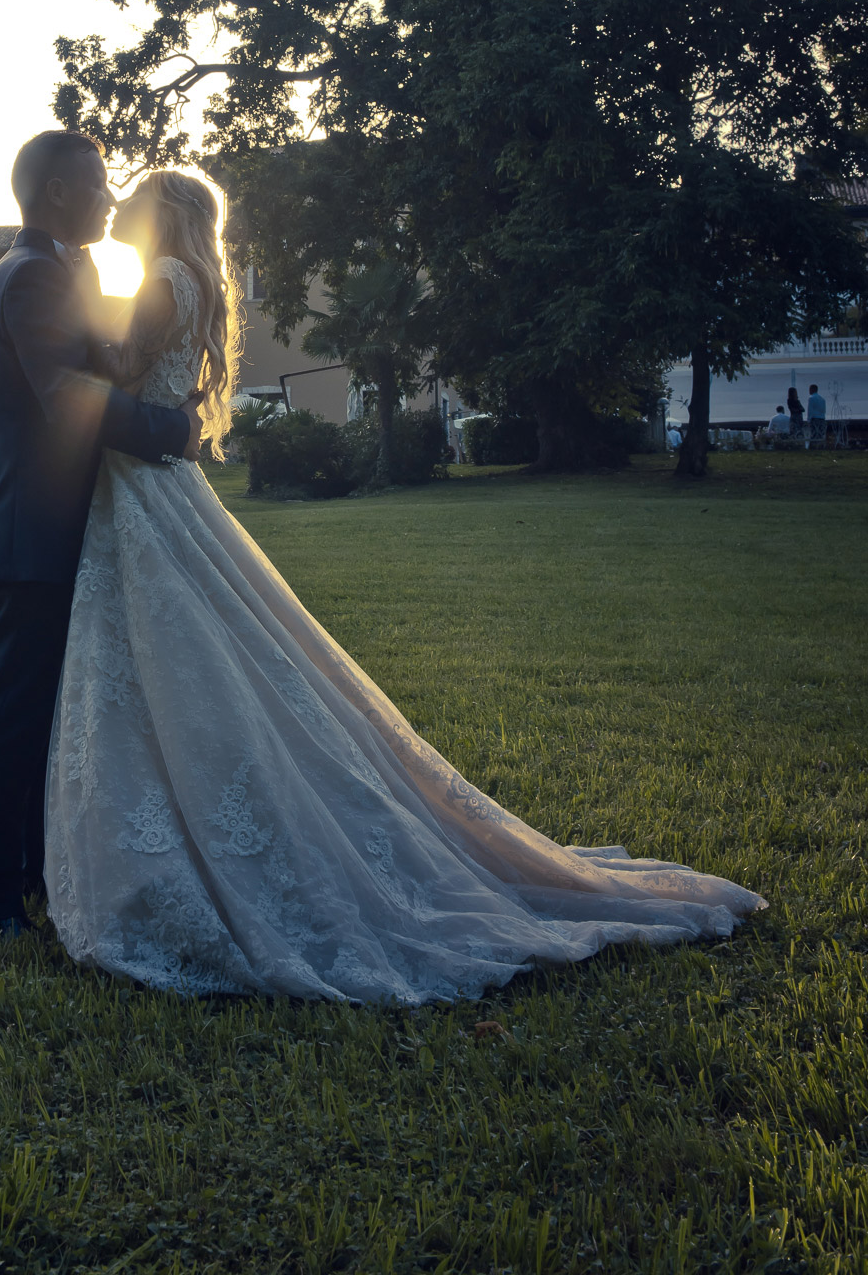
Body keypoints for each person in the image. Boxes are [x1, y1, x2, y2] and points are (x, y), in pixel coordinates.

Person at [43, 170, 763, 1006]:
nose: (119, 208)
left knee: (177, 657)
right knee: (179, 657)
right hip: (149, 487)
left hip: (142, 488)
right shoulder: (186, 280)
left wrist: (70, 310)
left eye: (132, 198)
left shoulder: (163, 279)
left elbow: (124, 364)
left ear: (165, 211)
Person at [0, 131, 203, 935]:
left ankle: (35, 878)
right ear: (58, 193)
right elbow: (68, 394)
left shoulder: (74, 270)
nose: (109, 198)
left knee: (50, 713)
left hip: (73, 525)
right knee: (13, 717)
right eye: (98, 186)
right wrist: (171, 428)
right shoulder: (29, 277)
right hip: (32, 529)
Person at [806, 383, 827, 447]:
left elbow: (810, 410)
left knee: (814, 434)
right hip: (822, 418)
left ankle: (813, 447)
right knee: (820, 434)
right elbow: (824, 410)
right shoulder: (822, 399)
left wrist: (808, 420)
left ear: (812, 389)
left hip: (814, 418)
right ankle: (820, 446)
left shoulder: (811, 398)